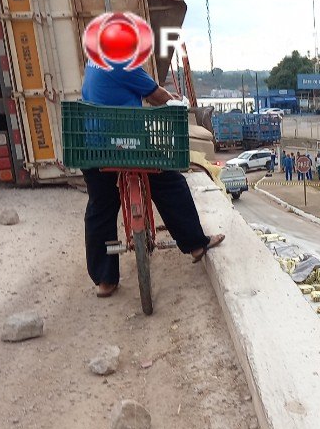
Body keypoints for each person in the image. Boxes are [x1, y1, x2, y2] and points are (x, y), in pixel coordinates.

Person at [79, 60, 224, 298]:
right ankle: (196, 244)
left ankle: (104, 281)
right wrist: (175, 101)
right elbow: (158, 96)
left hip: (92, 148)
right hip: (127, 144)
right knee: (170, 183)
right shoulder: (123, 64)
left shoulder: (94, 61)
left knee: (100, 206)